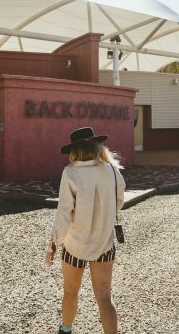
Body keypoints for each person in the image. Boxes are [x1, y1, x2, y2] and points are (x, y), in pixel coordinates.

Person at [46, 127, 126, 334]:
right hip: (104, 243)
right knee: (105, 297)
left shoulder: (71, 172)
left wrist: (53, 244)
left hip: (75, 245)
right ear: (97, 146)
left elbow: (64, 212)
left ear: (75, 151)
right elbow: (119, 201)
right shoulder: (112, 171)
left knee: (70, 292)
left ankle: (66, 330)